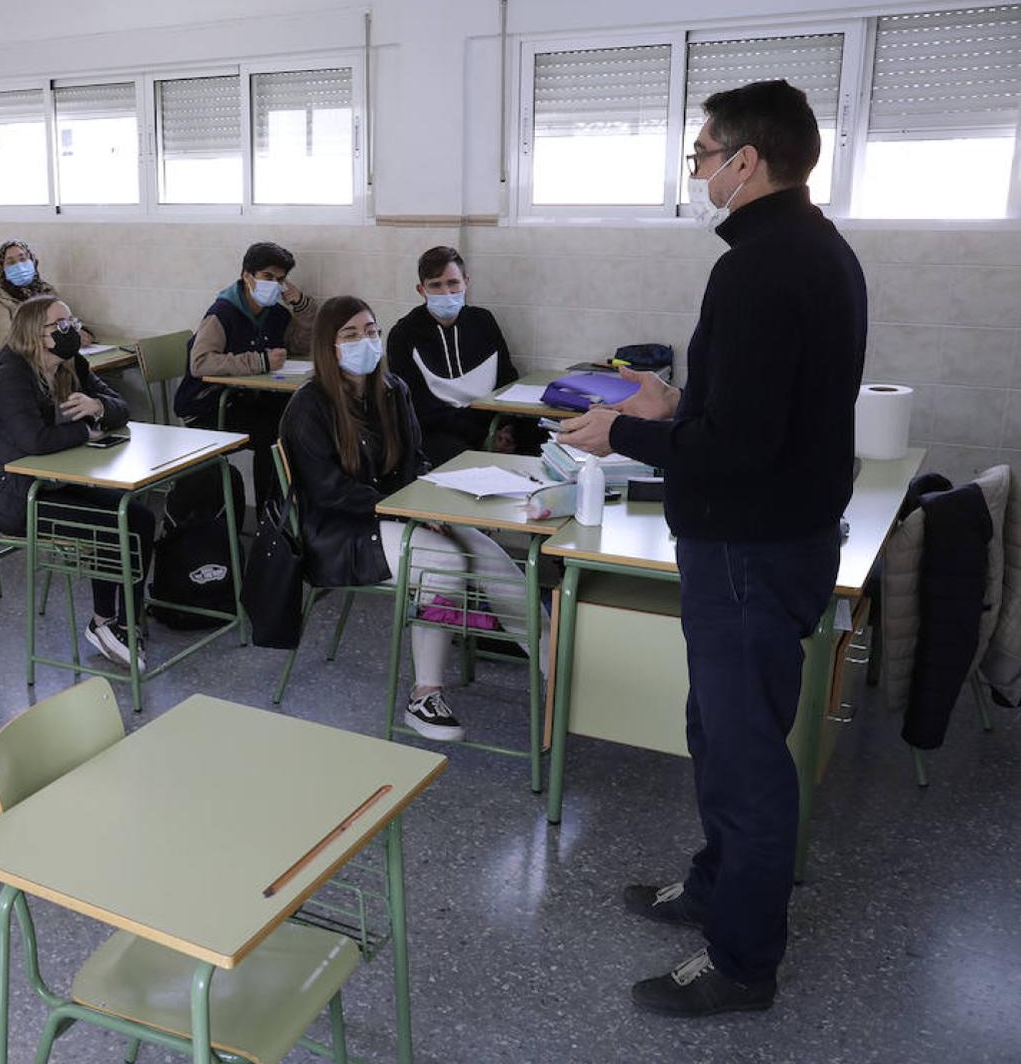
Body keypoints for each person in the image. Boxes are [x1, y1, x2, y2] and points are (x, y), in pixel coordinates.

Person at [559, 80, 867, 1017]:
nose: (697, 172)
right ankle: (712, 888)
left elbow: (742, 450)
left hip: (748, 546)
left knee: (745, 760)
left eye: (702, 156)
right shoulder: (814, 250)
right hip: (772, 538)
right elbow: (750, 416)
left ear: (746, 160)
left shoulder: (761, 266)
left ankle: (742, 964)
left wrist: (626, 435)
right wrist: (676, 408)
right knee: (721, 734)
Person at [281, 297, 545, 742]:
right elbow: (330, 493)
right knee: (444, 563)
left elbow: (414, 462)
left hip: (395, 512)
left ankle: (552, 663)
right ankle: (425, 697)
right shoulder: (309, 406)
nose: (365, 341)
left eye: (370, 331)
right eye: (350, 335)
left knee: (488, 553)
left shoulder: (391, 390)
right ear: (327, 346)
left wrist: (427, 505)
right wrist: (409, 511)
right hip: (339, 533)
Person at [0, 294, 151, 670]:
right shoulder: (13, 375)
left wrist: (98, 407)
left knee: (138, 517)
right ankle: (103, 622)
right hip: (15, 496)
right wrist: (86, 431)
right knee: (113, 525)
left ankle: (130, 621)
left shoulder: (71, 363)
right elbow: (34, 441)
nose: (71, 329)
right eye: (61, 325)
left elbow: (120, 406)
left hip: (55, 481)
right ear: (35, 335)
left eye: (71, 320)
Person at [172, 241, 317, 507]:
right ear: (247, 276)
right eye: (268, 277)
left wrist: (302, 306)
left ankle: (292, 511)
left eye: (281, 279)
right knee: (274, 432)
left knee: (299, 417)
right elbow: (200, 362)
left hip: (246, 399)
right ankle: (269, 515)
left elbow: (299, 344)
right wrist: (259, 361)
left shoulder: (273, 313)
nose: (275, 284)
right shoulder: (222, 312)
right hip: (209, 405)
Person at [385, 246, 532, 466]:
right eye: (435, 285)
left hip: (493, 421)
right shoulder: (403, 334)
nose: (446, 293)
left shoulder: (484, 321)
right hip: (438, 433)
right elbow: (417, 407)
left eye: (453, 283)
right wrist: (484, 437)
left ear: (466, 282)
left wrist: (507, 429)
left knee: (542, 440)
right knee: (459, 458)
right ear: (421, 289)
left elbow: (507, 380)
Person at [0, 240, 94, 407]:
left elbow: (65, 320)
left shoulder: (45, 291)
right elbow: (12, 343)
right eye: (11, 262)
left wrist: (78, 332)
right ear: (2, 269)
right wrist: (57, 338)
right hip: (2, 380)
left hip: (48, 374)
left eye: (23, 259)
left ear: (32, 260)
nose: (19, 265)